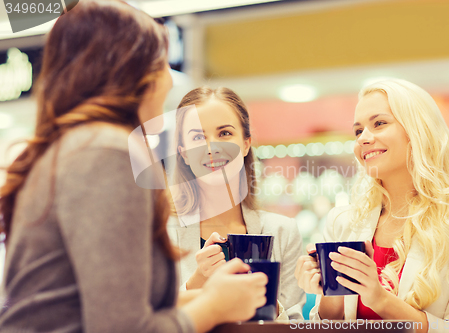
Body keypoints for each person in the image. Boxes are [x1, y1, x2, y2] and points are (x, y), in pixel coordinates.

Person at [0, 1, 268, 332]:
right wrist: (214, 306)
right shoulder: (106, 155)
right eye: (162, 63)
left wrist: (209, 293)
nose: (169, 81)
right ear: (138, 72)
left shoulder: (75, 147)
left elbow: (103, 303)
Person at [295, 79, 449, 333]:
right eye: (358, 131)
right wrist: (328, 290)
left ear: (417, 130)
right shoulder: (343, 221)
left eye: (379, 123)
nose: (363, 139)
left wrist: (379, 299)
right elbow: (330, 323)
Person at [167, 87, 306, 320]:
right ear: (184, 153)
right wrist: (196, 283)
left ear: (245, 144)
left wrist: (267, 300)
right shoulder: (160, 233)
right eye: (198, 137)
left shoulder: (283, 232)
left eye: (224, 133)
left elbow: (294, 323)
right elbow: (148, 322)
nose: (212, 148)